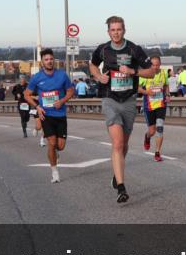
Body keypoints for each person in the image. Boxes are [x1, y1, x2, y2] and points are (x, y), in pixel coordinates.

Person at [89, 16, 154, 204]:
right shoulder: (103, 49)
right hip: (110, 98)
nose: (116, 33)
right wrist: (98, 76)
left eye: (119, 29)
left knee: (124, 145)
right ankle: (121, 188)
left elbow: (151, 71)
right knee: (117, 143)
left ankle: (116, 175)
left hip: (129, 100)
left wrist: (134, 72)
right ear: (108, 32)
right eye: (113, 30)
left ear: (124, 30)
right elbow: (92, 65)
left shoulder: (134, 49)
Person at [25, 48, 75, 183]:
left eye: (51, 59)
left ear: (54, 60)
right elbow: (26, 95)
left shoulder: (62, 75)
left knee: (60, 146)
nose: (49, 61)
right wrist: (37, 107)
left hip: (60, 114)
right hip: (46, 115)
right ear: (42, 62)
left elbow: (70, 91)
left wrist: (62, 101)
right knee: (52, 143)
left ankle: (55, 152)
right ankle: (54, 172)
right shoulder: (37, 78)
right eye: (46, 59)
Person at [138, 56, 168, 162]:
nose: (155, 67)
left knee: (160, 128)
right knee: (152, 131)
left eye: (157, 65)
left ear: (160, 64)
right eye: (153, 65)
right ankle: (147, 137)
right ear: (150, 65)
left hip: (161, 105)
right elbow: (137, 87)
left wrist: (168, 94)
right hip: (149, 106)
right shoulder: (145, 74)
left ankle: (157, 152)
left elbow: (166, 85)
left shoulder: (164, 73)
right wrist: (146, 92)